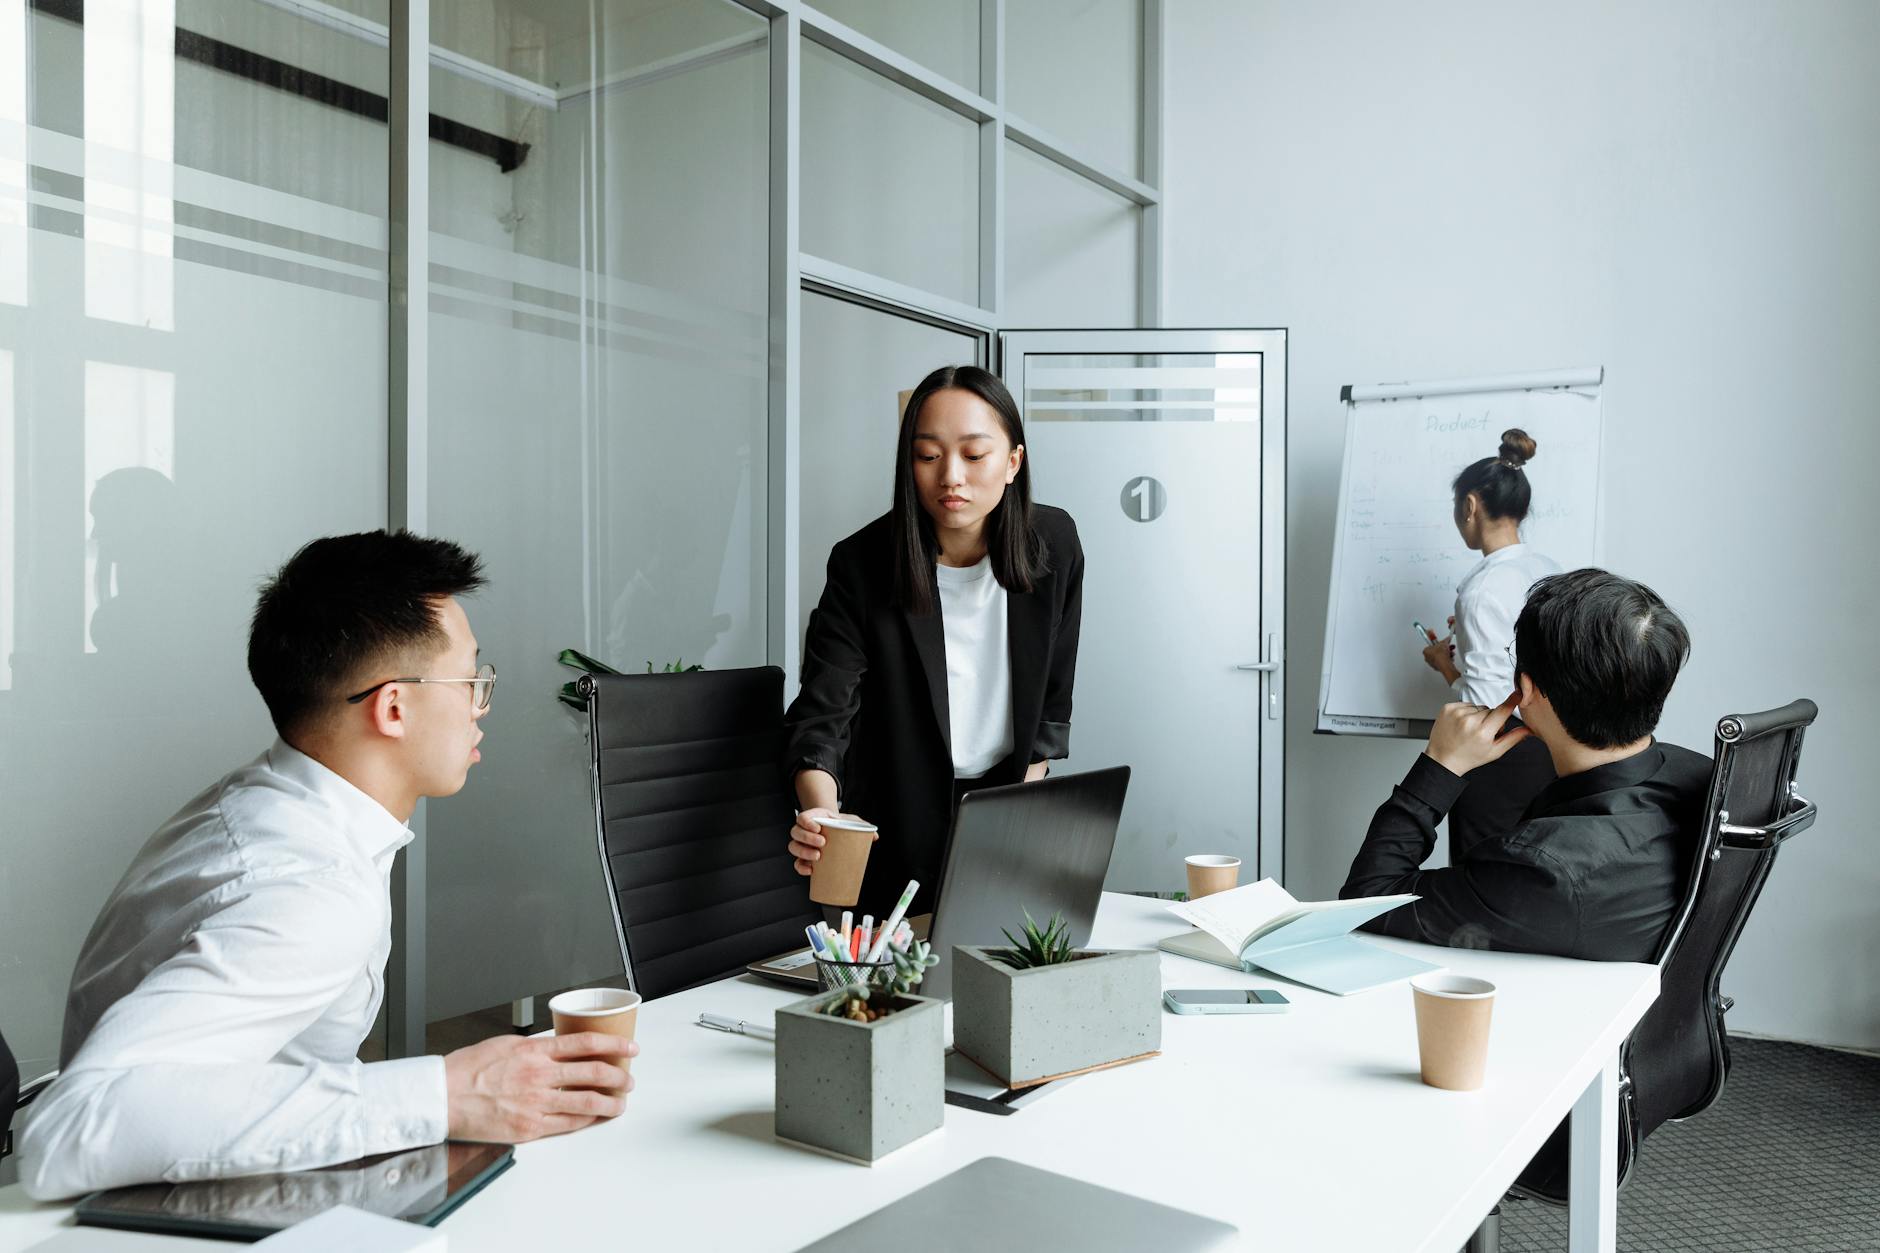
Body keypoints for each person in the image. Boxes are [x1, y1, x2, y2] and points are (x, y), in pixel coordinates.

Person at [17, 531, 636, 1200]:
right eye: (470, 682)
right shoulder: (312, 888)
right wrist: (448, 1093)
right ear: (393, 707)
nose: (480, 706)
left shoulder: (269, 801)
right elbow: (72, 1128)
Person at [783, 365, 1083, 917]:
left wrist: (1022, 803)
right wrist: (822, 813)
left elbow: (1052, 699)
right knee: (902, 966)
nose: (951, 477)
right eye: (928, 456)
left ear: (1013, 462)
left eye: (974, 454)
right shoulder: (861, 564)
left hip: (1006, 808)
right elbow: (823, 715)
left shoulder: (1054, 544)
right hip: (893, 817)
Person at [1344, 568, 1710, 962]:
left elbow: (1366, 901)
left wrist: (1441, 765)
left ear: (1527, 688)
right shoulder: (1704, 776)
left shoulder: (1544, 869)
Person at [1421, 428, 1564, 856]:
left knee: (1480, 871)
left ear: (1470, 506)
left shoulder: (1482, 590)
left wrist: (1446, 668)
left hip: (1500, 756)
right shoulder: (1548, 568)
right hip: (1551, 747)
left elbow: (1485, 706)